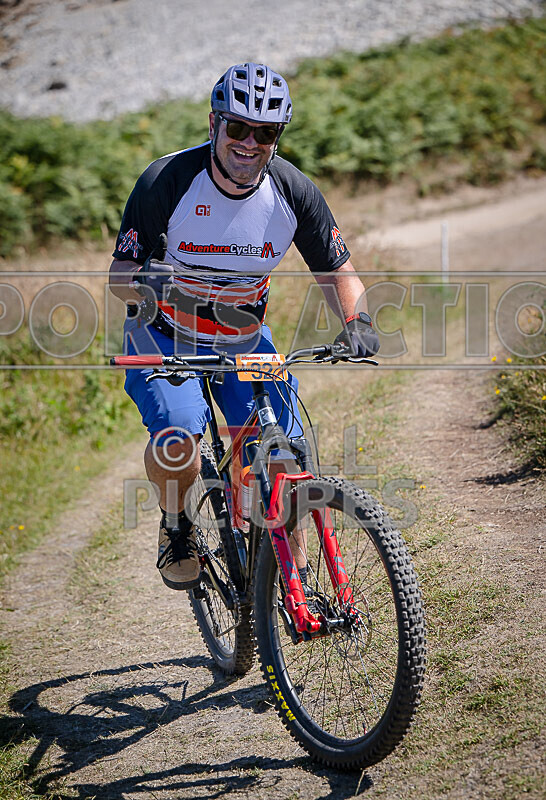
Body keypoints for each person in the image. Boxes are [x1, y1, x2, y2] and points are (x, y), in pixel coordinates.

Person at [109, 62, 379, 592]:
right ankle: (177, 525)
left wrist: (358, 320)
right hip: (163, 331)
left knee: (283, 455)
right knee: (178, 438)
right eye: (238, 127)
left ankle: (293, 586)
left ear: (277, 137)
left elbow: (338, 271)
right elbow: (119, 275)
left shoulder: (291, 191)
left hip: (242, 337)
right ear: (214, 123)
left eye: (265, 132)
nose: (249, 143)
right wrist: (147, 282)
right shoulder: (167, 181)